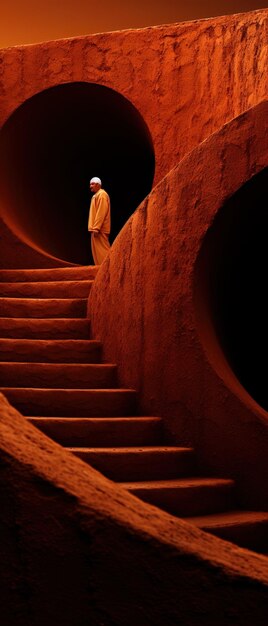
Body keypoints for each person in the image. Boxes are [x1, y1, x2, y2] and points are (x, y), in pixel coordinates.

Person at [88, 177, 111, 265]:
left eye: (92, 184)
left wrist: (97, 228)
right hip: (95, 229)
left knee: (103, 252)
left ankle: (108, 268)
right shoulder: (97, 195)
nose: (90, 186)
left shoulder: (102, 195)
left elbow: (101, 212)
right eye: (90, 184)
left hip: (99, 229)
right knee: (97, 253)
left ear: (98, 185)